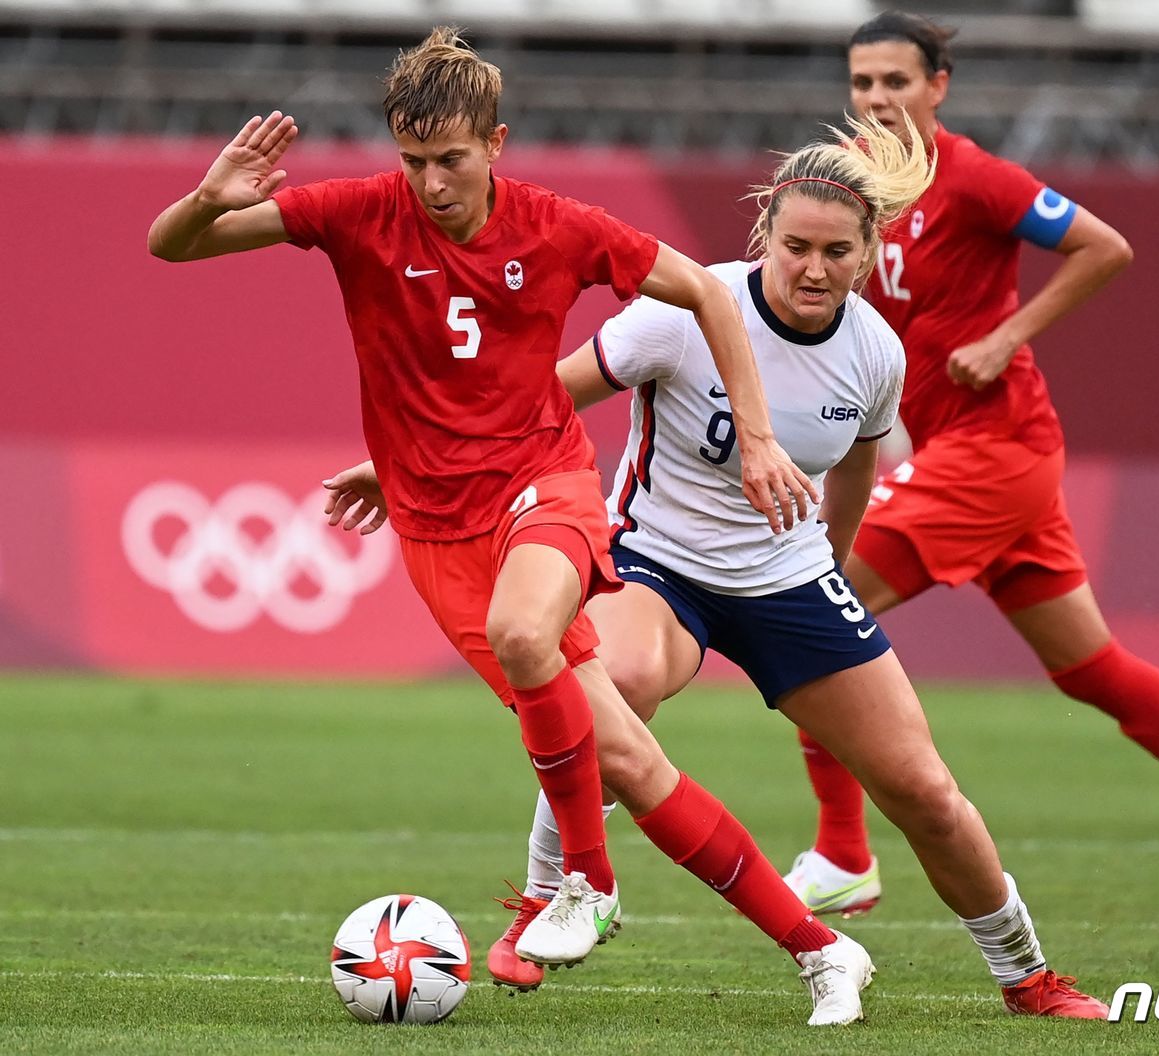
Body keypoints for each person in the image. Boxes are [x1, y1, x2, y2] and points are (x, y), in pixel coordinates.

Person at [148, 29, 885, 1027]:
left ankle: (583, 881)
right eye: (413, 161)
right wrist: (211, 192)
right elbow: (172, 245)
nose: (432, 182)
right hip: (436, 533)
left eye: (450, 159)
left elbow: (708, 291)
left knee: (523, 631)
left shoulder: (557, 227)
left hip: (544, 486)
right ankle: (821, 949)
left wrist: (755, 437)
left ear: (494, 141)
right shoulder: (358, 213)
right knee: (625, 758)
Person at [324, 112, 1110, 1018]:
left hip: (790, 579)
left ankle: (1028, 975)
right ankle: (554, 891)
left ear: (868, 253)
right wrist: (399, 467)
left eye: (838, 253)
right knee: (606, 684)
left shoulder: (875, 353)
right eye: (797, 247)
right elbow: (538, 399)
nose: (814, 269)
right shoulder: (684, 313)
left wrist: (838, 575)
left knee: (927, 793)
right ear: (763, 235)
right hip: (658, 566)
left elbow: (854, 467)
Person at [779, 11, 1159, 940]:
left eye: (896, 82)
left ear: (937, 87)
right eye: (863, 82)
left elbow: (1104, 246)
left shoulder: (980, 178)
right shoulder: (861, 192)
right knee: (1091, 669)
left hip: (997, 449)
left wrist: (1006, 338)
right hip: (980, 455)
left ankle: (843, 854)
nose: (876, 98)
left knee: (812, 601)